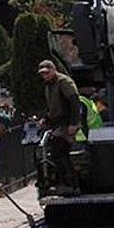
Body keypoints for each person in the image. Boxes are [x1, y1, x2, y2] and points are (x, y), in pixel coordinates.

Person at [37, 59, 81, 195]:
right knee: (58, 154)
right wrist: (46, 119)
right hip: (57, 123)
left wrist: (73, 123)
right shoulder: (49, 85)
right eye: (42, 73)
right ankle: (67, 184)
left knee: (59, 153)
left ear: (53, 69)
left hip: (66, 123)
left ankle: (71, 185)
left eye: (47, 72)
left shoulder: (64, 82)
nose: (45, 75)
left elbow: (74, 101)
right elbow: (52, 107)